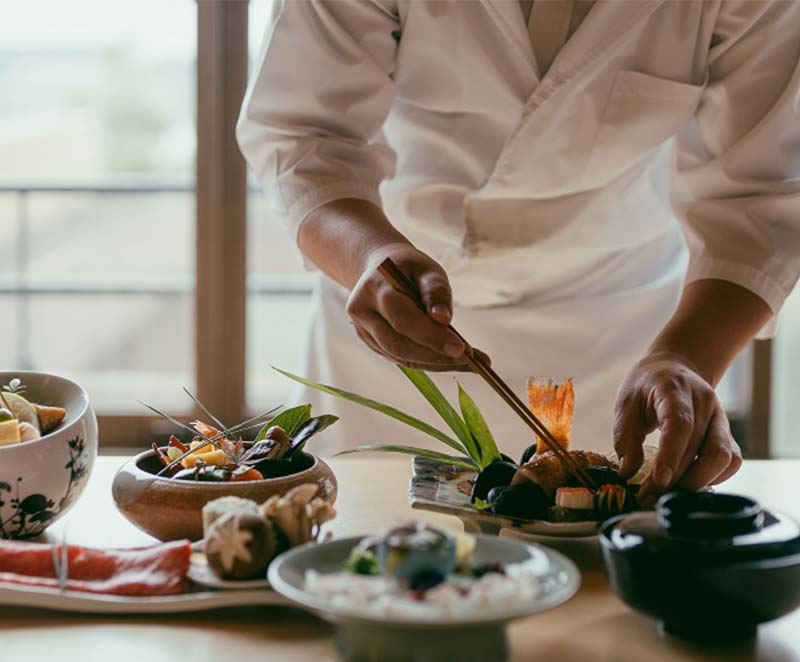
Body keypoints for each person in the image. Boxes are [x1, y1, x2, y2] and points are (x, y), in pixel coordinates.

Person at [238, 0, 800, 495]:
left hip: (622, 332)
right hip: (391, 301)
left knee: (596, 596)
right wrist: (367, 255)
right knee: (378, 570)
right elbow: (304, 134)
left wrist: (685, 356)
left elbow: (756, 196)